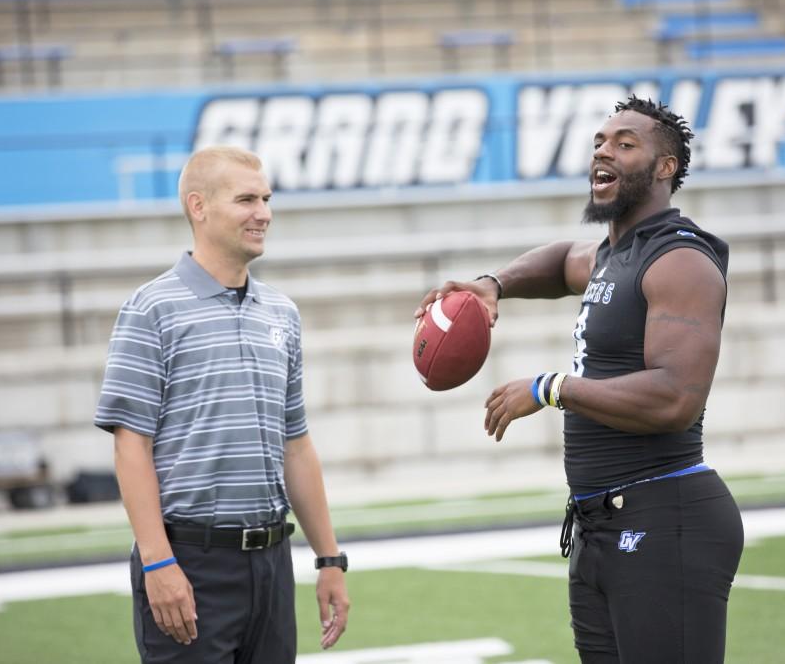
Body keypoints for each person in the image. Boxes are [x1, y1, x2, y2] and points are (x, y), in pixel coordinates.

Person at [415, 97, 744, 663]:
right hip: (600, 523)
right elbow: (562, 257)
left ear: (665, 168)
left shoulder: (679, 260)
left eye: (624, 143)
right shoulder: (612, 253)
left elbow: (674, 399)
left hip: (666, 517)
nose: (602, 151)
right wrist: (494, 283)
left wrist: (551, 388)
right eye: (599, 141)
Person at [95, 145, 349, 663]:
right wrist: (157, 564)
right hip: (190, 563)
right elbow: (131, 447)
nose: (264, 213)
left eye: (267, 198)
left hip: (272, 564)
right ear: (199, 206)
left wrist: (329, 558)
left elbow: (295, 445)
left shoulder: (282, 312)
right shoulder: (150, 310)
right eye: (246, 199)